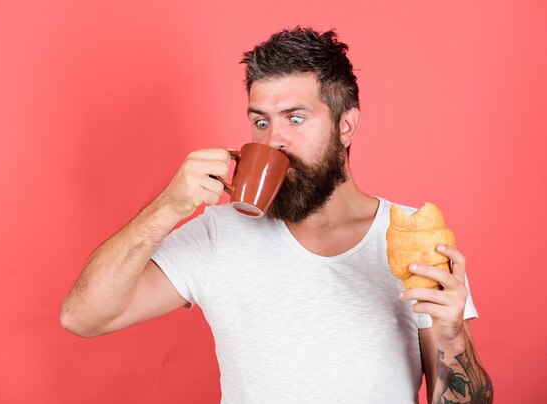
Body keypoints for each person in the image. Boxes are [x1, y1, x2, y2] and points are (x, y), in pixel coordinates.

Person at [60, 27, 493, 403]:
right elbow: (83, 317)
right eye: (261, 122)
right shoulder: (220, 233)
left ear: (346, 126)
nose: (275, 141)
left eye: (296, 118)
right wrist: (167, 209)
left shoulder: (413, 237)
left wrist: (452, 334)